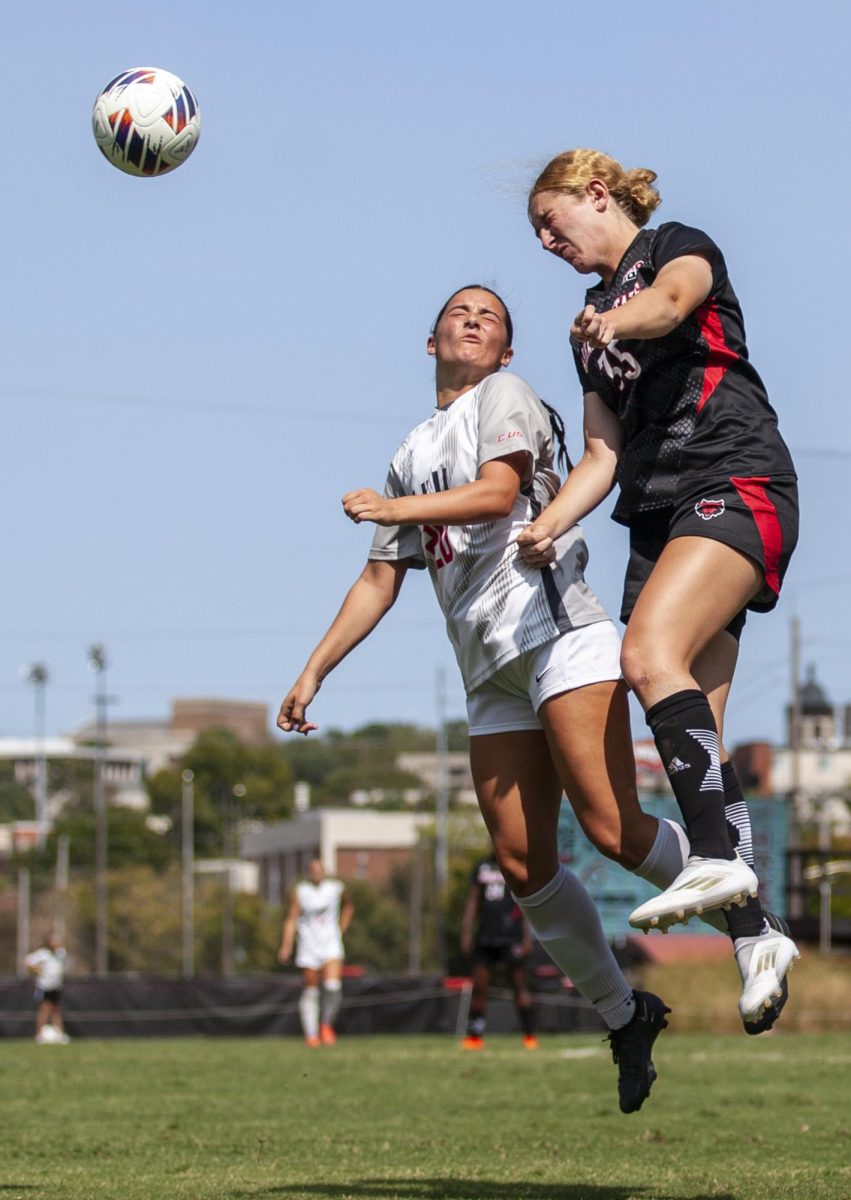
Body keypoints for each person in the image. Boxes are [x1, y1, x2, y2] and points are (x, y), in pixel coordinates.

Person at [278, 284, 682, 1114]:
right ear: (429, 342)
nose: (473, 319)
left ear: (503, 353)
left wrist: (391, 508)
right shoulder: (410, 451)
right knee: (523, 862)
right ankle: (623, 1012)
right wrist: (314, 668)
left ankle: (757, 918)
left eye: (490, 317)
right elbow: (379, 578)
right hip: (487, 667)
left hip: (556, 631)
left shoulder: (504, 397)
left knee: (611, 830)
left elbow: (498, 494)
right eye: (458, 312)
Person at [519, 148, 800, 1027]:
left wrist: (618, 321)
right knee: (697, 748)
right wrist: (550, 522)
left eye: (548, 220)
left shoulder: (676, 246)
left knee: (647, 654)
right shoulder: (585, 332)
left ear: (593, 194)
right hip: (657, 515)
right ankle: (758, 935)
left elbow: (673, 301)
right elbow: (601, 453)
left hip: (734, 477)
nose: (542, 241)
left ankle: (724, 879)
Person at [459, 856, 538, 1050]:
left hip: (511, 936)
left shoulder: (514, 864)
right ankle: (475, 1037)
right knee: (480, 986)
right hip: (486, 936)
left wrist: (527, 936)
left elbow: (525, 900)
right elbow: (473, 900)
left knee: (519, 985)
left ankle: (529, 1036)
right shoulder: (482, 866)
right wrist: (466, 931)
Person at [278, 858, 355, 1047]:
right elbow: (291, 917)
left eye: (319, 869)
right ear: (309, 872)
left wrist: (340, 929)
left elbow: (349, 906)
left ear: (325, 871)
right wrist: (286, 945)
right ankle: (311, 1034)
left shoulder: (336, 888)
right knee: (311, 990)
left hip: (330, 944)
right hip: (308, 944)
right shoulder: (301, 891)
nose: (316, 873)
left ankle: (326, 1025)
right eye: (313, 869)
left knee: (332, 987)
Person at [25, 932, 69, 1044]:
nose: (56, 943)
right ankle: (39, 1034)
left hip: (56, 986)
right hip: (45, 986)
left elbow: (64, 965)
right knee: (45, 1009)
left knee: (56, 1009)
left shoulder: (61, 953)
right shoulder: (43, 954)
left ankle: (59, 1033)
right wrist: (38, 970)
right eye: (54, 941)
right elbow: (27, 962)